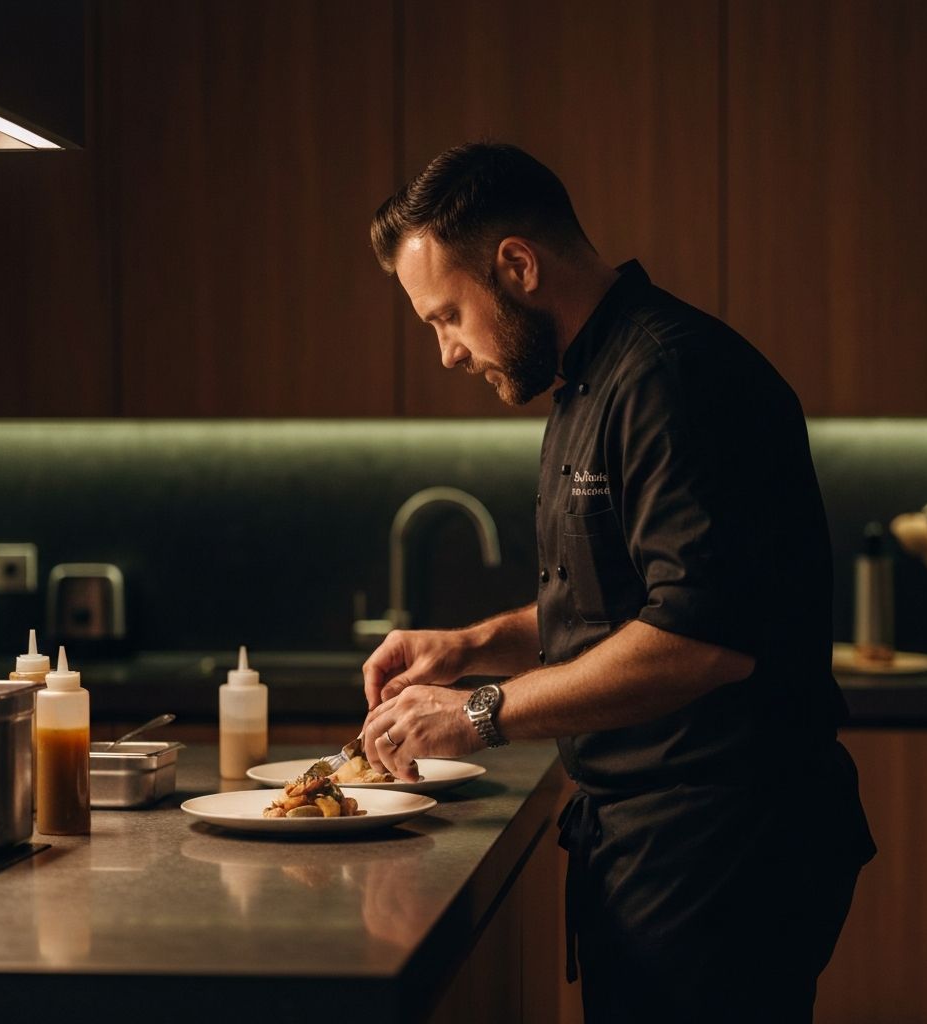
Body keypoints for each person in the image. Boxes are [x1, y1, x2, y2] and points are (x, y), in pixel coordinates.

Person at [362, 141, 876, 1023]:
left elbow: (700, 641)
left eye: (447, 316)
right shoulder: (587, 384)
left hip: (723, 848)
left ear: (517, 265)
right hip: (662, 844)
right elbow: (624, 600)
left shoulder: (671, 377)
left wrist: (479, 710)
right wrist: (475, 644)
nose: (446, 352)